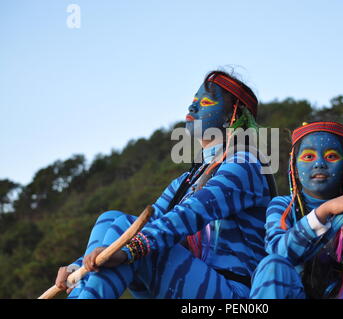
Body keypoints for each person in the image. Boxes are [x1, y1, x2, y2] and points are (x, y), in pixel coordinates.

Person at [55, 70, 277, 299]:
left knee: (125, 230)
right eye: (193, 102)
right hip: (194, 284)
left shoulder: (245, 163)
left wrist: (128, 251)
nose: (192, 109)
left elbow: (192, 213)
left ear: (232, 115)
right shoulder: (186, 180)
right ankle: (83, 289)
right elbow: (151, 221)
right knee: (110, 219)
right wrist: (78, 268)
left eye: (206, 101)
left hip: (232, 293)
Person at [249, 121, 343, 299]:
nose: (319, 163)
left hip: (342, 294)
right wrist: (323, 212)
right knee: (273, 265)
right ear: (294, 168)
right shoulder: (282, 206)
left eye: (331, 156)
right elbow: (278, 252)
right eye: (308, 156)